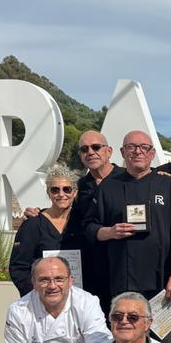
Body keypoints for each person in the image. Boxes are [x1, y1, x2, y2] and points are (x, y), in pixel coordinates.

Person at [82, 130, 171, 328]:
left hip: (163, 282)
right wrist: (110, 232)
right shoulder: (108, 187)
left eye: (144, 148)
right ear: (122, 152)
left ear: (152, 153)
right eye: (132, 147)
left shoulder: (168, 184)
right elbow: (89, 228)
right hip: (121, 281)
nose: (138, 152)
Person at [9, 164, 82, 295]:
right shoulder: (32, 224)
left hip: (78, 298)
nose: (61, 194)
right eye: (55, 190)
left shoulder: (82, 223)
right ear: (48, 192)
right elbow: (19, 267)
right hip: (42, 299)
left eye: (67, 189)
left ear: (74, 192)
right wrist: (37, 295)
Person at [69, 130, 117, 304]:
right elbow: (64, 211)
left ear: (109, 151)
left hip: (124, 268)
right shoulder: (78, 187)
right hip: (92, 271)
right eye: (84, 149)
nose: (90, 152)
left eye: (96, 147)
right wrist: (38, 211)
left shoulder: (128, 179)